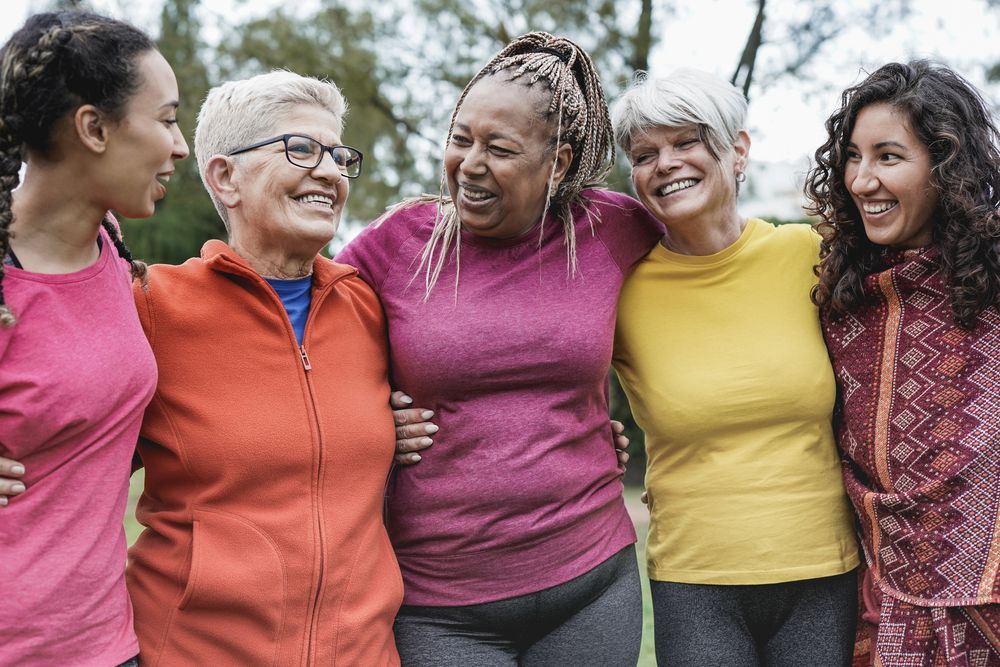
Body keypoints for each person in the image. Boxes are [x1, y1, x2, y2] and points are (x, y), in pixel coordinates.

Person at [336, 32, 662, 665]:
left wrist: (678, 435)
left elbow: (708, 263)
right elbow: (301, 330)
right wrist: (369, 419)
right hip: (439, 605)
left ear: (559, 162)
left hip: (590, 582)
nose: (471, 163)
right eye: (461, 139)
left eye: (500, 148)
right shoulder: (396, 244)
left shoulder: (610, 228)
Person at [123, 71, 402, 664]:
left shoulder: (371, 308)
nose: (329, 171)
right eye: (301, 148)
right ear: (226, 178)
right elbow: (60, 433)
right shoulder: (149, 306)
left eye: (338, 155)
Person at [609, 69, 860, 666]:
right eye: (645, 154)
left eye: (686, 142)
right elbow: (541, 382)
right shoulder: (617, 291)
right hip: (696, 581)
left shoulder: (811, 257)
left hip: (823, 573)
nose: (665, 163)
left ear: (737, 150)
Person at [0, 11, 188, 666]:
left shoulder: (110, 248)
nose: (181, 145)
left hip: (108, 642)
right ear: (94, 128)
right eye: (165, 120)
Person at [805, 60, 1000, 667]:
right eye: (854, 157)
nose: (862, 181)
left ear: (946, 169)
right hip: (878, 605)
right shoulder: (839, 296)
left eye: (888, 156)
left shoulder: (993, 288)